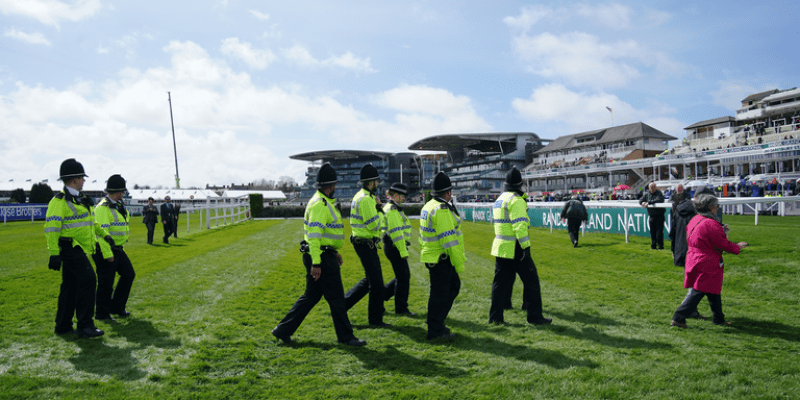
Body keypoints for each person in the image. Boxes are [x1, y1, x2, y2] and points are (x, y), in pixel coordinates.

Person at [272, 163, 366, 346]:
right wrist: (317, 263)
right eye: (335, 186)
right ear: (330, 187)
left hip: (322, 254)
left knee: (311, 296)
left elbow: (321, 237)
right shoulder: (321, 205)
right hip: (321, 258)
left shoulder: (320, 202)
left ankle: (282, 330)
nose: (335, 188)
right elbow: (314, 238)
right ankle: (346, 337)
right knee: (337, 298)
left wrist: (333, 251)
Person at [44, 158, 110, 338]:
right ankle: (85, 325)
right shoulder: (59, 202)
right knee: (89, 280)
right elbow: (51, 229)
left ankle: (63, 325)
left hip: (78, 249)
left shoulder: (80, 200)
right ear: (74, 179)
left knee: (70, 286)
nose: (84, 181)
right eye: (82, 178)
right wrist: (54, 254)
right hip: (70, 249)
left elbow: (90, 223)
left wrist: (105, 236)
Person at [671, 194, 747, 328]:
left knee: (712, 290)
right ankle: (678, 317)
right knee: (699, 291)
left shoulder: (696, 219)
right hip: (706, 260)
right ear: (710, 207)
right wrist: (737, 247)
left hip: (695, 257)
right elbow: (722, 243)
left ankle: (718, 318)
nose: (717, 208)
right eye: (716, 205)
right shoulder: (710, 223)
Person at [489, 168, 552, 325]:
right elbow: (520, 227)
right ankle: (535, 317)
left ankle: (495, 318)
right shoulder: (516, 200)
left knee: (499, 285)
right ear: (520, 184)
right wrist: (526, 248)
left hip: (501, 247)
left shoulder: (500, 199)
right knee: (532, 282)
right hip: (515, 248)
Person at [420, 172, 464, 340]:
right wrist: (458, 264)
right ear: (448, 193)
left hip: (433, 256)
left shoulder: (429, 206)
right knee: (441, 295)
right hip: (441, 258)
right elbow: (449, 240)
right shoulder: (441, 209)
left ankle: (436, 323)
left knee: (450, 288)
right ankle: (435, 329)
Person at [345, 164, 390, 327]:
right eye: (376, 181)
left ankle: (342, 306)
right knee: (376, 284)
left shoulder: (365, 197)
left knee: (370, 281)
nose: (378, 184)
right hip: (365, 244)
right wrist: (379, 209)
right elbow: (374, 225)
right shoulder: (366, 199)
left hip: (365, 243)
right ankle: (375, 320)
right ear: (371, 182)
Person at [92, 175, 136, 321]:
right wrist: (107, 253)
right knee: (106, 282)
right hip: (105, 249)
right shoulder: (102, 209)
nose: (122, 194)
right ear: (115, 192)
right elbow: (100, 235)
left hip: (118, 248)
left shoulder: (117, 205)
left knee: (128, 274)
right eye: (121, 191)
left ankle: (117, 307)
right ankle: (102, 313)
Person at [381, 182, 416, 316]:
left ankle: (382, 296)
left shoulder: (392, 208)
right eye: (402, 196)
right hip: (395, 246)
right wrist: (403, 251)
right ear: (395, 195)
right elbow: (396, 233)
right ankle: (401, 308)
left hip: (392, 246)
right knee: (404, 278)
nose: (404, 198)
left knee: (402, 276)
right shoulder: (393, 210)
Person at [640, 182, 666, 250]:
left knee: (659, 232)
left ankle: (660, 246)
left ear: (656, 187)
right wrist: (643, 202)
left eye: (654, 187)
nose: (653, 188)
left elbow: (660, 199)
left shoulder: (659, 193)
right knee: (652, 232)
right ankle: (653, 246)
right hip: (652, 216)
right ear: (649, 188)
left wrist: (649, 202)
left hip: (660, 215)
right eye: (651, 187)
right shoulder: (647, 194)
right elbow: (641, 200)